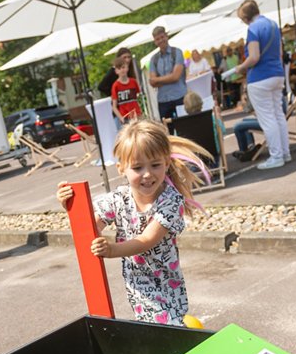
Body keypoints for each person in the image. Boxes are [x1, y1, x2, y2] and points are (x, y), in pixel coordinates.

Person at [55, 120, 209, 325]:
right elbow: (91, 226)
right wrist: (70, 205)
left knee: (167, 327)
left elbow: (146, 240)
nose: (147, 174)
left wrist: (111, 250)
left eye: (155, 165)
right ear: (121, 169)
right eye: (137, 167)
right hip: (139, 285)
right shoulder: (119, 199)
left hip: (167, 285)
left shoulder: (171, 201)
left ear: (166, 163)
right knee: (154, 328)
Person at [232, 0, 290, 170]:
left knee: (268, 119)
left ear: (245, 17)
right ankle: (285, 152)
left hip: (260, 77)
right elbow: (279, 52)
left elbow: (254, 57)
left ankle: (276, 156)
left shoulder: (253, 29)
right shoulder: (273, 24)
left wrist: (241, 67)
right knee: (278, 115)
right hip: (277, 73)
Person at [148, 26, 187, 120]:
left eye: (162, 37)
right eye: (157, 39)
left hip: (179, 97)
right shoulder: (154, 59)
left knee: (185, 125)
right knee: (166, 128)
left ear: (166, 36)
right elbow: (152, 82)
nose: (160, 40)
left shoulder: (177, 52)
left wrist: (158, 79)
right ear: (155, 41)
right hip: (163, 100)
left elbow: (176, 77)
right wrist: (170, 77)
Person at [109, 54, 143, 122]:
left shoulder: (133, 82)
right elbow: (114, 106)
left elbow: (139, 98)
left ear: (127, 68)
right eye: (119, 68)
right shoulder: (115, 86)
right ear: (116, 71)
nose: (122, 70)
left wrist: (141, 112)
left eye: (123, 67)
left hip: (137, 115)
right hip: (126, 117)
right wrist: (121, 118)